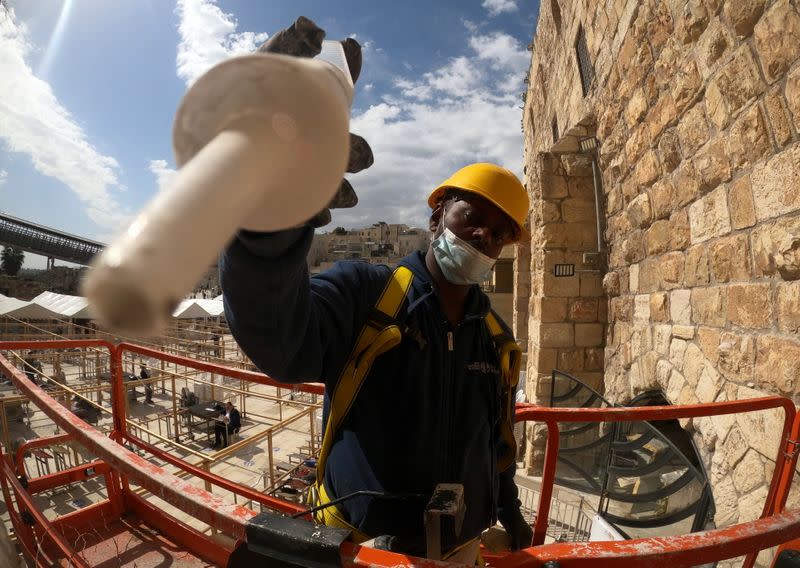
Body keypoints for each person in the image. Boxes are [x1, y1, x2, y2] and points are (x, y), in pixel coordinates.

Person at [220, 162, 533, 560]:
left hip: (459, 549)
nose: (483, 235)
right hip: (361, 548)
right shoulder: (367, 297)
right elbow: (284, 344)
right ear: (437, 217)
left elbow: (495, 441)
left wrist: (510, 510)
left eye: (500, 232)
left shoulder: (494, 337)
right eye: (471, 217)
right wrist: (269, 228)